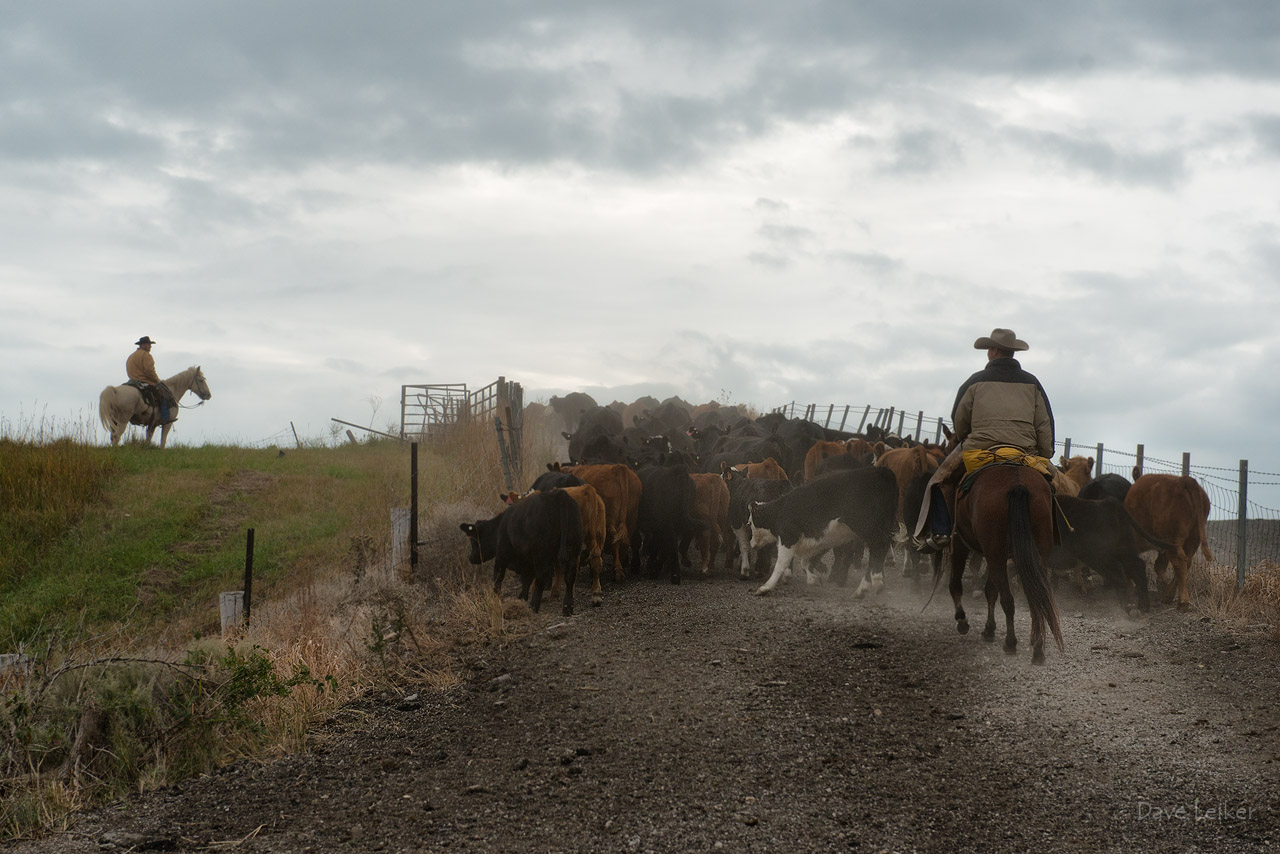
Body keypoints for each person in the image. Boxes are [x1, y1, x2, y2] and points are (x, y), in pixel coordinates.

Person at [913, 328, 1055, 552]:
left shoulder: (975, 381)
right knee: (1052, 486)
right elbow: (1044, 423)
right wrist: (1045, 453)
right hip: (1024, 454)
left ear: (994, 351)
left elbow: (959, 419)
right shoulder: (1033, 383)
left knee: (940, 481)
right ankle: (1056, 535)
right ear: (1012, 353)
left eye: (990, 348)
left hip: (980, 451)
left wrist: (965, 437)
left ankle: (941, 533)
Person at [126, 336, 176, 423]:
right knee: (163, 394)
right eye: (149, 344)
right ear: (144, 345)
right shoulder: (146, 355)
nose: (150, 347)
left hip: (132, 381)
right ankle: (165, 417)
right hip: (144, 381)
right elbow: (149, 371)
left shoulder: (131, 356)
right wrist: (157, 380)